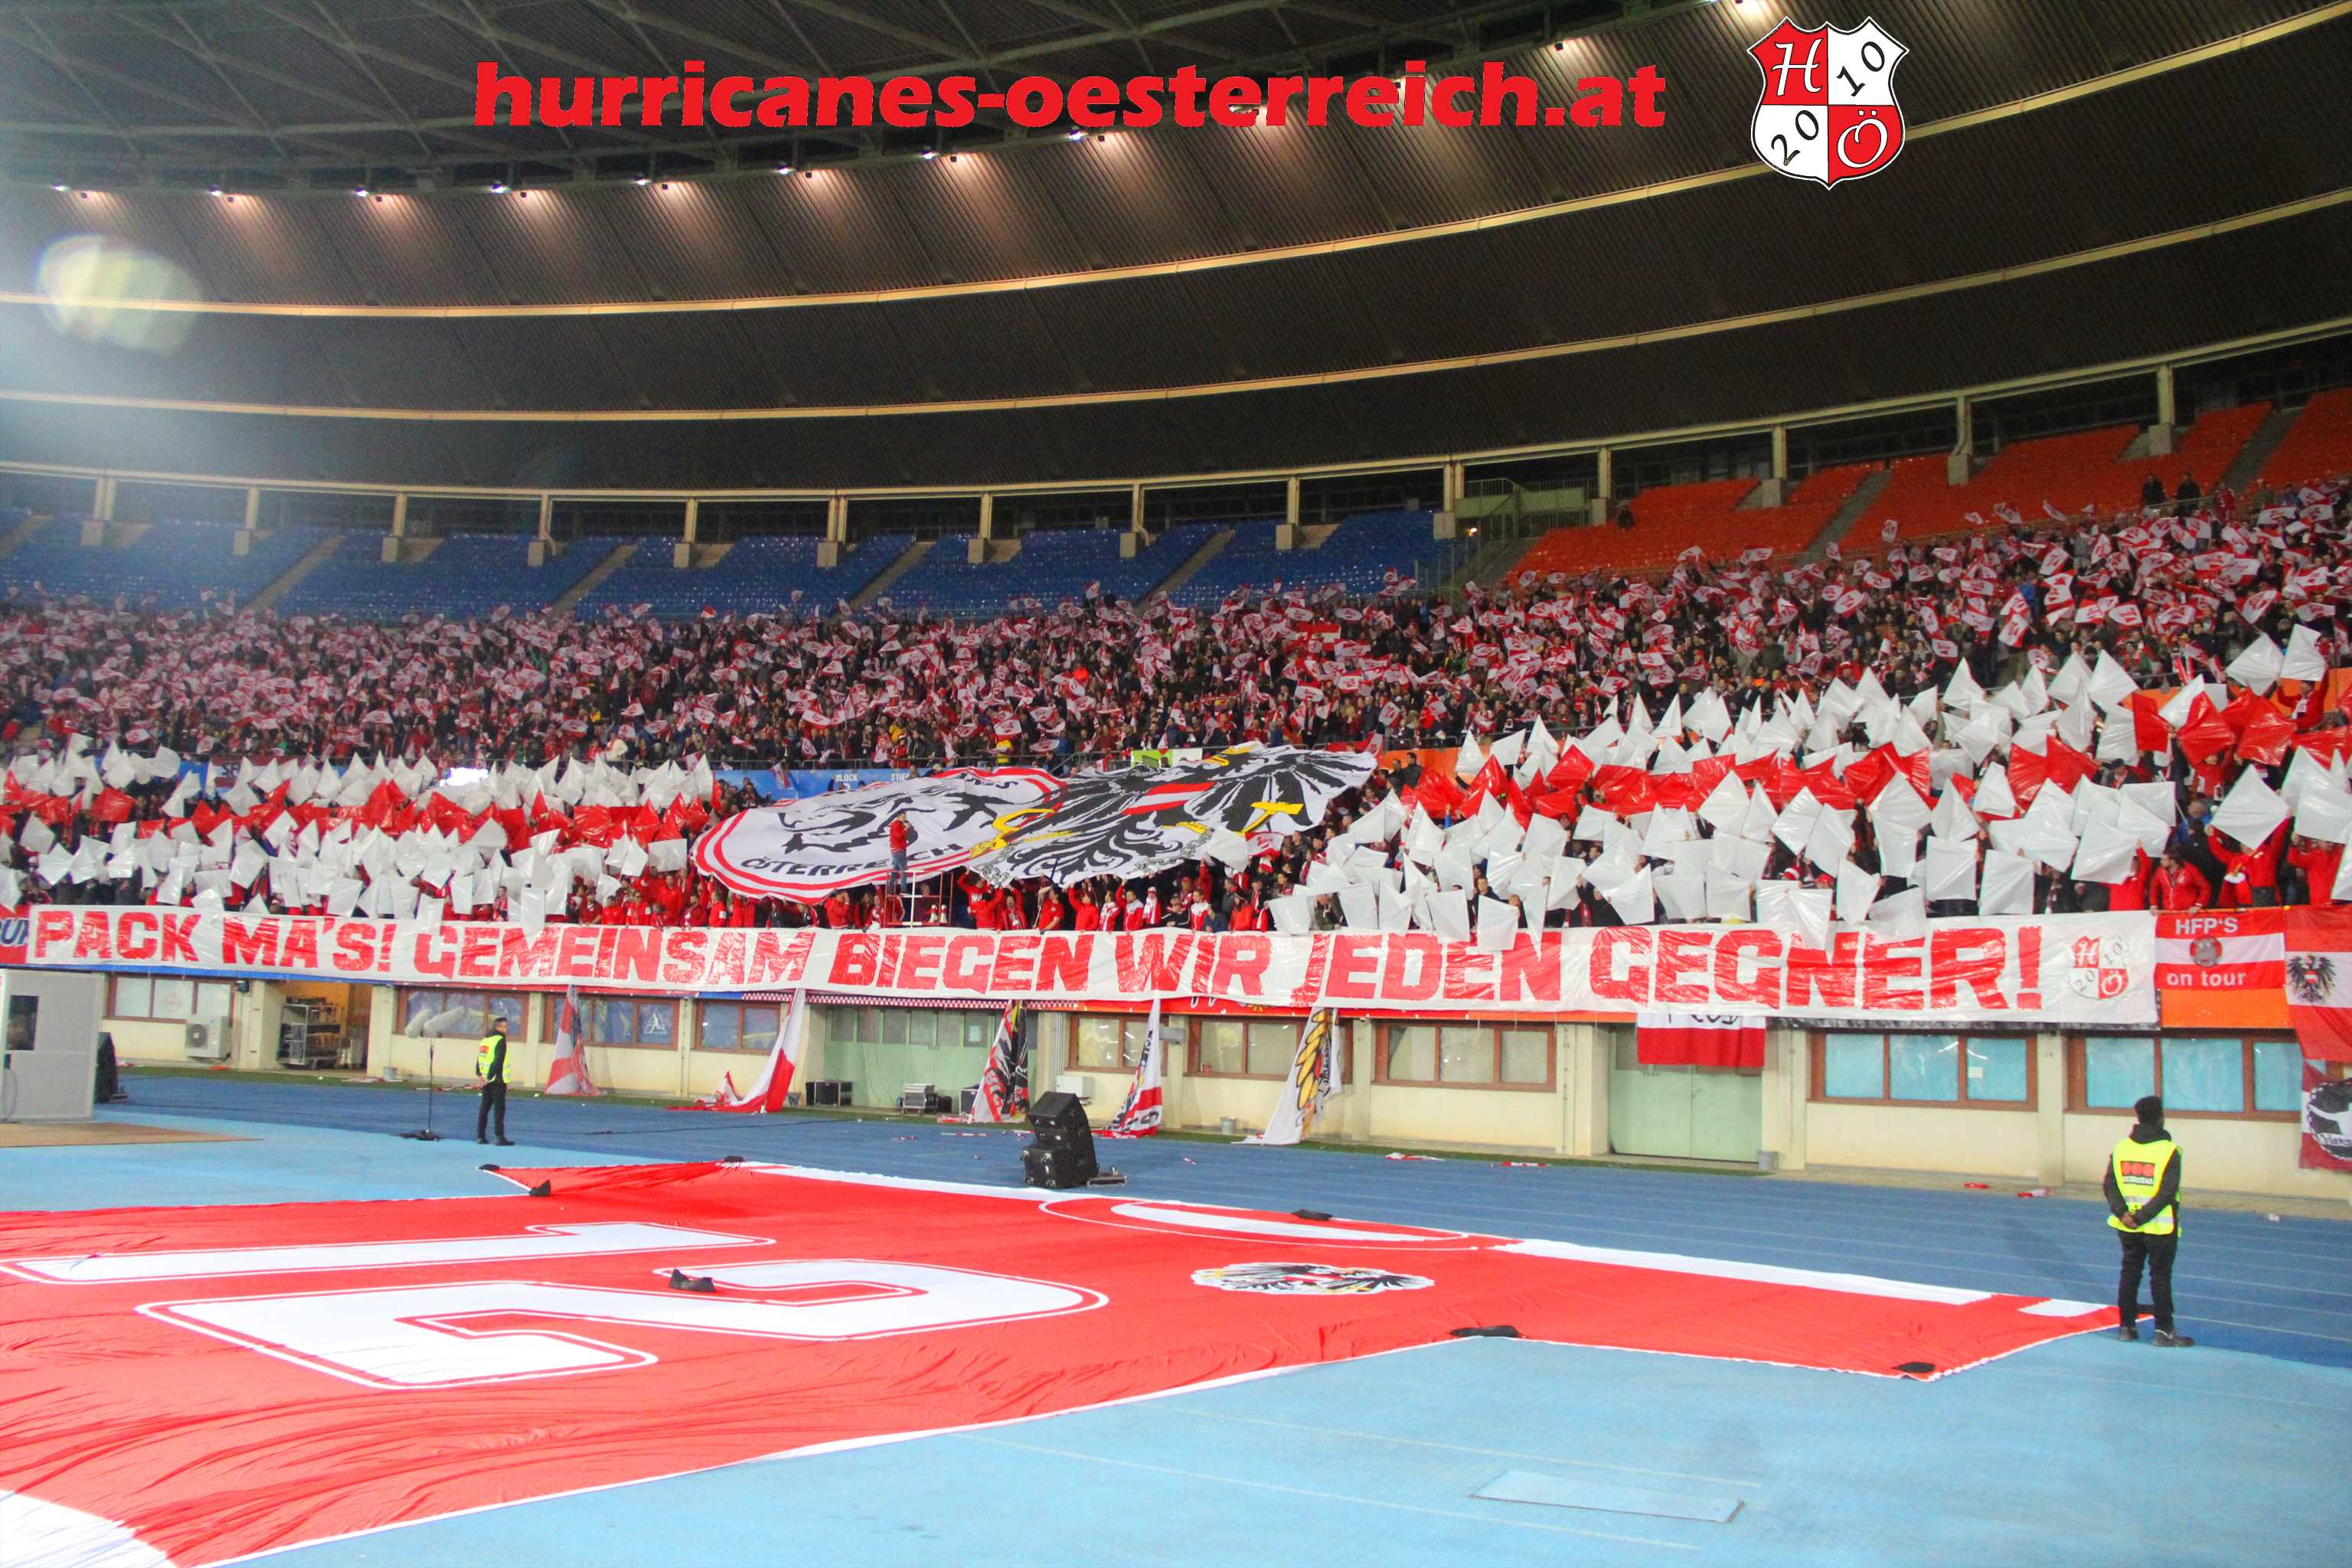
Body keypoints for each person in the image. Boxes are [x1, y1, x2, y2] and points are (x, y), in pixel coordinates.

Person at [2105, 1093, 2191, 1347]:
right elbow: (2167, 1192)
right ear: (2161, 1117)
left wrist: (2123, 1214)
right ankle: (2164, 1332)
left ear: (2138, 1117)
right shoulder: (2169, 1151)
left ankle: (2126, 1327)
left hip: (2127, 1226)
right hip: (2159, 1227)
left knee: (2130, 1273)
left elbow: (2110, 1185)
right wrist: (2143, 1217)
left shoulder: (2121, 1148)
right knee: (2160, 1276)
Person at [475, 1014, 514, 1147]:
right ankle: (499, 1137)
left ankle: (480, 1136)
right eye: (505, 1026)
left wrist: (480, 1074)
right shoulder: (500, 1040)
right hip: (497, 1080)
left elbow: (480, 1058)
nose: (507, 1029)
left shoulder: (485, 1039)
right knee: (499, 1109)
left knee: (485, 1107)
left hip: (486, 1079)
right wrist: (490, 1077)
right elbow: (498, 1060)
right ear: (499, 1027)